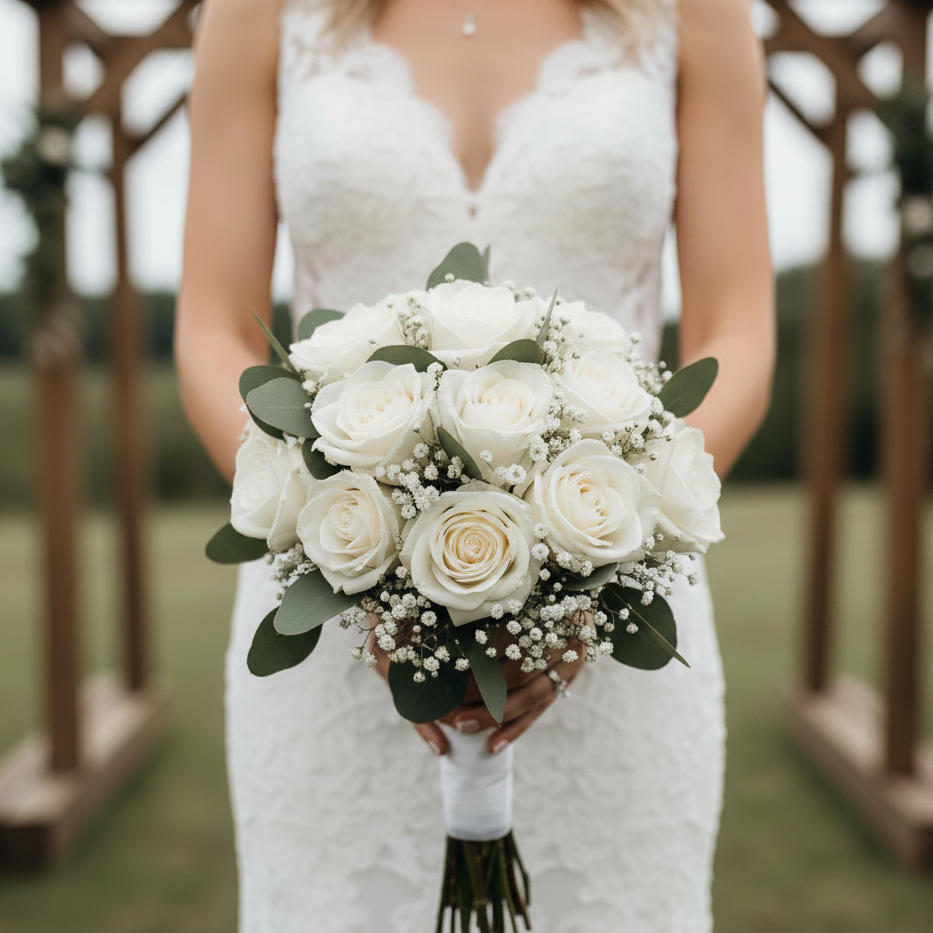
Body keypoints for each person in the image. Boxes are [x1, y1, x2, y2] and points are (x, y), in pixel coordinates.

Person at [175, 0, 774, 930]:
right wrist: (342, 544)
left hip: (618, 621)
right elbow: (211, 330)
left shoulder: (695, 12)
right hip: (330, 625)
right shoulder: (258, 13)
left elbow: (737, 329)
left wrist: (595, 561)